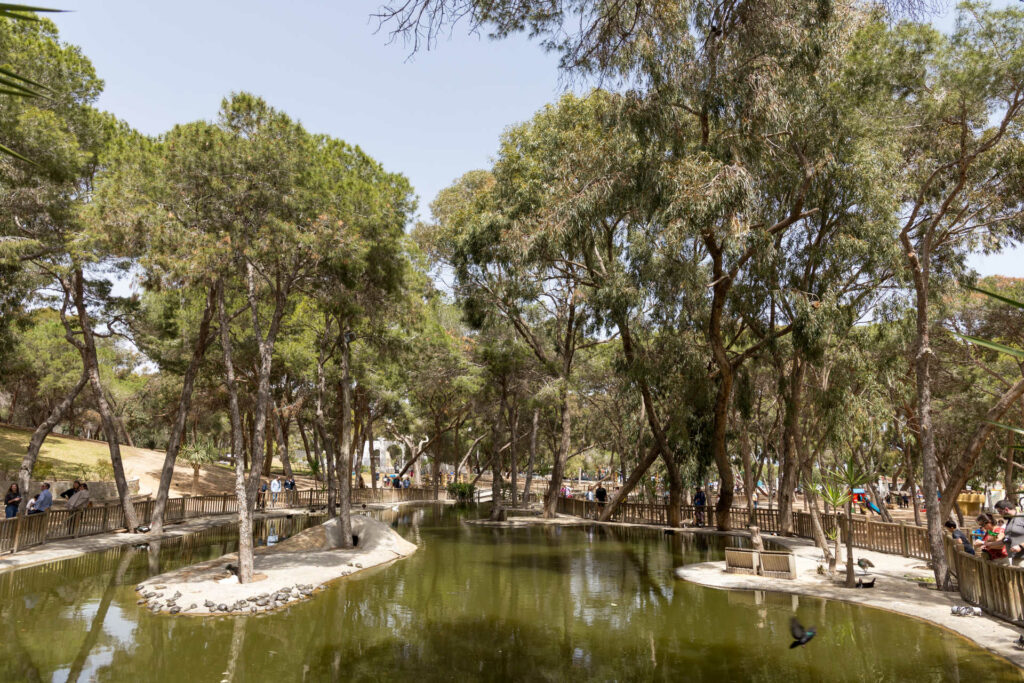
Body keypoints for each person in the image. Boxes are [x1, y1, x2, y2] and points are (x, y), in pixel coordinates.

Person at [995, 499, 1024, 566]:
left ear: (1006, 509)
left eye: (1000, 511)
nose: (999, 514)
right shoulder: (1009, 521)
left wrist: (1020, 546)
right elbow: (1005, 540)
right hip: (1015, 558)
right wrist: (987, 544)